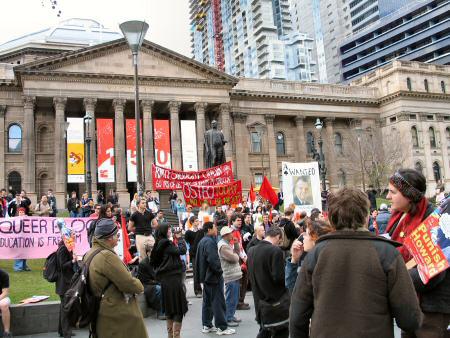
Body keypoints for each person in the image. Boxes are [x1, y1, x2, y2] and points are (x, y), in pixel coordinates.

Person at [290, 187, 423, 338]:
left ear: (331, 218)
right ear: (366, 217)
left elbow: (297, 316)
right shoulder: (387, 253)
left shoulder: (316, 254)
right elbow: (409, 319)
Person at [386, 169, 450, 337]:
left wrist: (394, 278)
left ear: (409, 195)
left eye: (393, 192)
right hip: (410, 302)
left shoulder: (433, 220)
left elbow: (433, 272)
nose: (387, 196)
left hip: (431, 308)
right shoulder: (399, 219)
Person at [85, 218, 148, 338]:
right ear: (109, 237)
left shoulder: (90, 253)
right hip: (116, 313)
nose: (118, 238)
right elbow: (128, 283)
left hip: (102, 310)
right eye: (117, 235)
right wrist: (140, 285)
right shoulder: (106, 256)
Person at [195, 222, 236, 335]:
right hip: (213, 276)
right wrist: (220, 271)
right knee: (218, 301)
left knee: (207, 302)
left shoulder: (203, 241)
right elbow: (213, 260)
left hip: (206, 277)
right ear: (209, 229)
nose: (216, 229)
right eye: (214, 227)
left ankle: (207, 325)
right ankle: (222, 327)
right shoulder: (209, 242)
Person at [247, 226, 288, 338]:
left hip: (258, 298)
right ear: (278, 236)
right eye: (280, 240)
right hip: (274, 301)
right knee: (280, 331)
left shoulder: (251, 250)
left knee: (265, 330)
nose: (280, 242)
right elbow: (279, 278)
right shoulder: (276, 251)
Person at [151, 224, 188, 338]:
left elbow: (153, 262)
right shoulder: (166, 243)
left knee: (169, 308)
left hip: (166, 279)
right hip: (173, 278)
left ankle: (171, 335)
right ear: (163, 231)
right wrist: (180, 238)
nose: (170, 231)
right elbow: (182, 250)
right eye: (168, 229)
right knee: (177, 308)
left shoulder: (158, 243)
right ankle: (176, 336)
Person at [285, 219, 333, 294]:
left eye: (307, 234)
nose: (303, 237)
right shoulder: (305, 255)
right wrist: (294, 259)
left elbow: (296, 291)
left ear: (315, 238)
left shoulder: (324, 261)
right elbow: (291, 288)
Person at [218, 226, 243, 327]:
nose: (232, 235)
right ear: (225, 235)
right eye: (230, 233)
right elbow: (234, 258)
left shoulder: (227, 244)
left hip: (234, 274)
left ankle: (231, 315)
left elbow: (236, 253)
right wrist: (236, 257)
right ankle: (228, 318)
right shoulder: (223, 246)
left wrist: (236, 243)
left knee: (235, 297)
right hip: (230, 275)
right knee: (231, 298)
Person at [55, 224, 77, 338]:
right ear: (68, 235)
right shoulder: (63, 248)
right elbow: (62, 266)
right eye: (73, 234)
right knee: (65, 307)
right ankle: (66, 332)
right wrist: (73, 261)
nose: (75, 235)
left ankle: (62, 330)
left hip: (66, 282)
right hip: (64, 283)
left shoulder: (68, 247)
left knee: (64, 306)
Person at [137, 243, 164, 319]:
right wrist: (158, 282)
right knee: (159, 288)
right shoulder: (143, 264)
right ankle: (161, 312)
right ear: (148, 253)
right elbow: (144, 280)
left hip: (156, 282)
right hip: (147, 285)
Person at [229, 214, 250, 311]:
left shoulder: (237, 231)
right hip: (236, 259)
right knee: (240, 281)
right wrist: (243, 257)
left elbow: (240, 246)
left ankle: (241, 300)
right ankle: (238, 302)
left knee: (244, 280)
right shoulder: (231, 232)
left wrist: (245, 256)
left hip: (240, 257)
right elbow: (235, 248)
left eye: (240, 220)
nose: (240, 222)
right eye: (238, 220)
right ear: (232, 221)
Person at [184, 216, 203, 296]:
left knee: (203, 270)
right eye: (195, 221)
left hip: (202, 253)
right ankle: (197, 290)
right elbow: (187, 243)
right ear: (192, 222)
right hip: (194, 253)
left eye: (198, 221)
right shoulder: (188, 232)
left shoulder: (201, 231)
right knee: (195, 272)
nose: (197, 222)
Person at [0, 268, 12, 337]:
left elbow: (5, 292)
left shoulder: (3, 274)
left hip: (2, 297)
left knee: (4, 305)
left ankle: (6, 332)